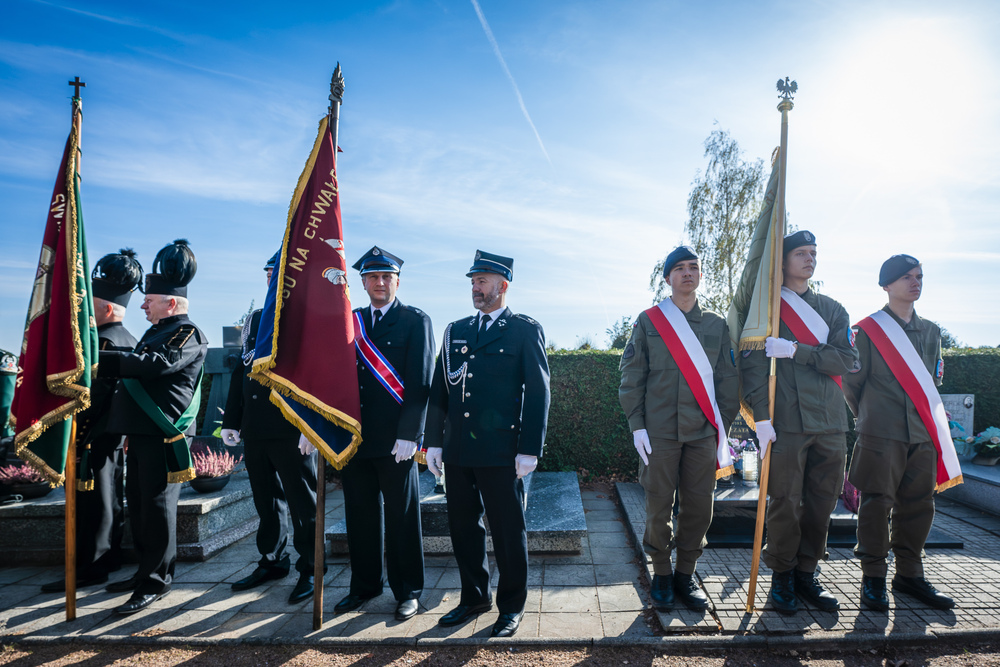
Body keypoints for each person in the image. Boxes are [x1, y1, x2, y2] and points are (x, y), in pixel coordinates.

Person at [424, 250, 550, 638]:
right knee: (463, 529)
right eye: (473, 282)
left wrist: (530, 448)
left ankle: (511, 606)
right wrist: (433, 443)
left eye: (482, 281)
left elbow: (539, 392)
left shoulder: (523, 330)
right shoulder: (455, 330)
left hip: (501, 452)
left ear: (503, 285)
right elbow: (439, 391)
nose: (476, 288)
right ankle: (474, 597)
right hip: (459, 451)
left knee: (508, 531)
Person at [740, 230, 859, 615]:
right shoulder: (767, 311)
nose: (809, 260)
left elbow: (845, 360)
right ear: (784, 260)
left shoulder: (832, 309)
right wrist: (760, 418)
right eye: (801, 253)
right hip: (787, 422)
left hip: (829, 421)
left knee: (822, 503)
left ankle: (807, 572)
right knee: (785, 503)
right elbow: (753, 367)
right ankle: (783, 576)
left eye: (813, 253)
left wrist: (796, 350)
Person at [619, 246, 739, 613]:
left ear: (700, 275)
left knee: (700, 506)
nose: (688, 273)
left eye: (694, 268)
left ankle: (686, 574)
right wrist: (637, 425)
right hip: (660, 433)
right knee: (658, 505)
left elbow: (728, 380)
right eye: (680, 269)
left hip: (703, 433)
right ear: (667, 277)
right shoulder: (650, 320)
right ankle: (661, 574)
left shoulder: (718, 325)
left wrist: (722, 427)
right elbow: (632, 376)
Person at [99, 239, 208, 615]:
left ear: (171, 302)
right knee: (142, 508)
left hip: (163, 435)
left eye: (150, 298)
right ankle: (144, 571)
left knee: (159, 510)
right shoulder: (157, 330)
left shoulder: (186, 333)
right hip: (142, 435)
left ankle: (156, 581)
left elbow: (154, 365)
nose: (142, 303)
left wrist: (97, 360)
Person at [843, 254, 956, 611]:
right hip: (881, 433)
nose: (915, 282)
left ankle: (909, 574)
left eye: (919, 276)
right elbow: (851, 384)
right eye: (906, 277)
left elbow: (931, 383)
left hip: (922, 435)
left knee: (919, 504)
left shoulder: (932, 332)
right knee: (876, 504)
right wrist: (873, 419)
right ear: (886, 285)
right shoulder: (866, 331)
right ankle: (873, 577)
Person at [332, 246, 434, 621]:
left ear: (397, 281)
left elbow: (421, 383)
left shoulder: (414, 321)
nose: (379, 283)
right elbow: (334, 377)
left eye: (386, 277)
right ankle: (364, 585)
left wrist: (411, 434)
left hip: (396, 441)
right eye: (373, 277)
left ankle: (408, 590)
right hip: (355, 439)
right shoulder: (351, 320)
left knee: (402, 517)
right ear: (362, 282)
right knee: (359, 515)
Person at [40, 249, 142, 593]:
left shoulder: (103, 344)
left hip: (92, 435)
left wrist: (74, 434)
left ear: (108, 308)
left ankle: (90, 567)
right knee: (108, 500)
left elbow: (93, 399)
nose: (84, 310)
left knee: (93, 504)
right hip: (111, 437)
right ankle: (106, 559)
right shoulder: (130, 339)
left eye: (91, 303)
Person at [220, 251, 319, 605]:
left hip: (292, 429)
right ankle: (273, 560)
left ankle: (310, 567)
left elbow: (314, 376)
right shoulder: (258, 318)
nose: (270, 280)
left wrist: (313, 425)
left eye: (277, 274)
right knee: (266, 500)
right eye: (268, 274)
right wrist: (232, 419)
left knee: (302, 502)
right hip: (256, 428)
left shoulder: (305, 317)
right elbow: (240, 370)